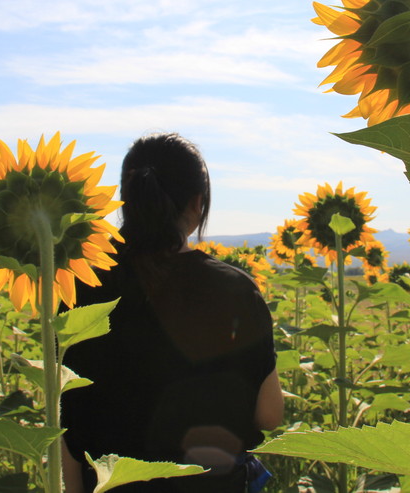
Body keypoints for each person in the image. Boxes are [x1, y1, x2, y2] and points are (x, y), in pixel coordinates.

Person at [60, 132, 284, 493]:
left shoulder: (80, 285)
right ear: (197, 203)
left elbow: (67, 424)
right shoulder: (236, 290)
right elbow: (269, 416)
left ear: (126, 200)